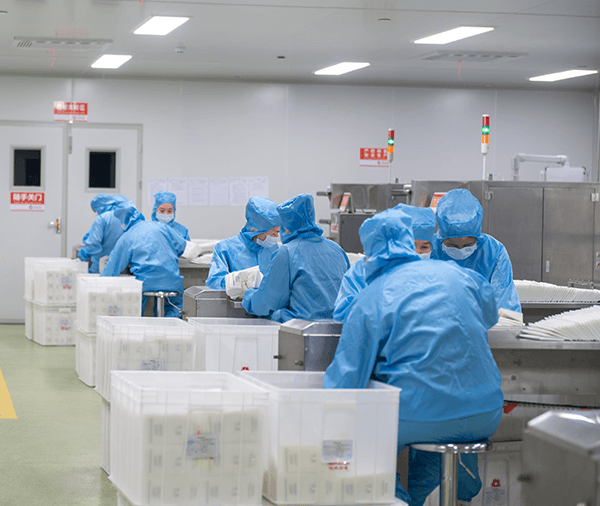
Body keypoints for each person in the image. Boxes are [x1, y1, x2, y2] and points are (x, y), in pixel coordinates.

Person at [323, 207, 503, 506]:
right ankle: (450, 488)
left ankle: (397, 499)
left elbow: (348, 376)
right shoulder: (460, 275)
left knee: (363, 442)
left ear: (370, 254)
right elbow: (490, 315)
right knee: (436, 445)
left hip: (420, 414)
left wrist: (324, 418)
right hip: (485, 412)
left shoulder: (371, 297)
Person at [242, 193, 350, 322]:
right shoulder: (337, 249)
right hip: (337, 327)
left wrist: (248, 296)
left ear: (285, 226)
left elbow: (268, 301)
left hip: (300, 329)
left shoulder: (287, 253)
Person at [333, 204, 436, 322]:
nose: (417, 252)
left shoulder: (434, 272)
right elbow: (345, 313)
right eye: (411, 245)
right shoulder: (362, 270)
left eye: (424, 247)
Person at [100, 202, 201, 317]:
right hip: (172, 282)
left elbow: (113, 267)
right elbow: (181, 247)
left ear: (124, 222)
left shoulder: (126, 237)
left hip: (145, 284)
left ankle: (142, 325)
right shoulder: (162, 226)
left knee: (135, 308)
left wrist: (98, 285)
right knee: (176, 306)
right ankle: (169, 325)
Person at [432, 189, 521, 312]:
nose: (460, 250)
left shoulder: (494, 252)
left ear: (477, 237)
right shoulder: (429, 250)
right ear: (441, 237)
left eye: (467, 245)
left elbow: (504, 303)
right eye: (452, 245)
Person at [206, 196, 280, 290]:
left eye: (278, 232)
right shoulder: (225, 248)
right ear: (257, 230)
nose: (275, 237)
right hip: (237, 300)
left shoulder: (272, 248)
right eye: (273, 233)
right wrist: (240, 282)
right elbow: (214, 283)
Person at [78, 193, 128, 273]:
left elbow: (93, 244)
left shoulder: (103, 219)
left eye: (96, 211)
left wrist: (83, 254)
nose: (97, 213)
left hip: (101, 265)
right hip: (123, 266)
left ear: (101, 207)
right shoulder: (127, 217)